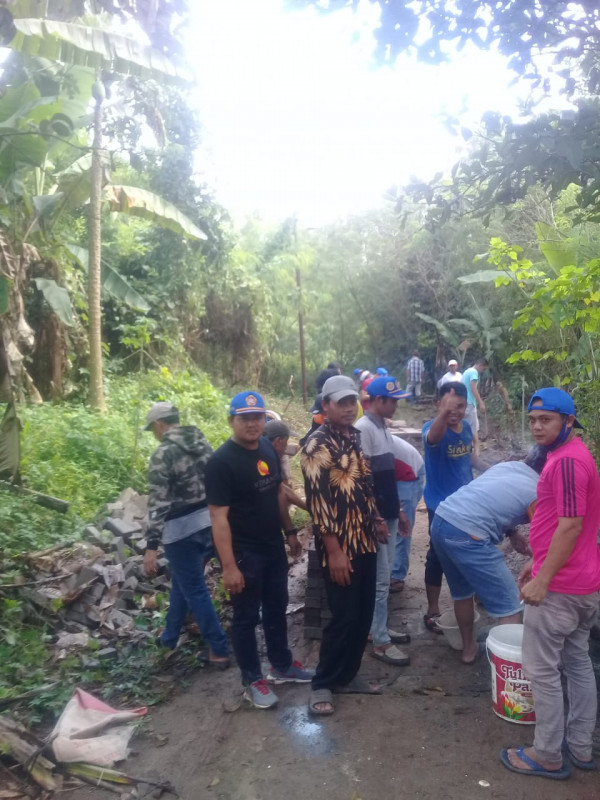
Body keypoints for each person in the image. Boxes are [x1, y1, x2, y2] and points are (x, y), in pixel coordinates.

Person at [501, 388, 600, 780]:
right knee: (577, 662)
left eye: (547, 420)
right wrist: (537, 563)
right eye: (533, 420)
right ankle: (579, 747)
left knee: (542, 670)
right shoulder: (572, 456)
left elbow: (572, 525)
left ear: (568, 421)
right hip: (580, 580)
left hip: (561, 588)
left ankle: (547, 754)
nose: (537, 427)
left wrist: (543, 579)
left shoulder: (566, 463)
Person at [205, 391, 314, 710]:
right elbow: (217, 517)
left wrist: (290, 531)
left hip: (272, 547)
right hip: (244, 554)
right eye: (245, 418)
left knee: (277, 606)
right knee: (246, 616)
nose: (252, 424)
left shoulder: (267, 447)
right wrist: (228, 566)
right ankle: (252, 679)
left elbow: (277, 491)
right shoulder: (221, 462)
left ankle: (282, 665)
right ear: (231, 421)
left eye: (257, 417)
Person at [301, 375, 386, 716]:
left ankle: (348, 675)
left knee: (363, 611)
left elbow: (364, 483)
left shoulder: (354, 436)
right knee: (342, 614)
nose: (349, 408)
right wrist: (333, 551)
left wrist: (377, 518)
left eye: (353, 401)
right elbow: (319, 505)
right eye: (341, 403)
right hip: (341, 545)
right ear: (326, 406)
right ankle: (323, 682)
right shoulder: (316, 447)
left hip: (365, 537)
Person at [431, 451, 545, 663]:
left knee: (462, 593)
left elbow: (491, 497)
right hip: (468, 533)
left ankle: (468, 650)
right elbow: (545, 535)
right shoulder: (539, 490)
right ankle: (508, 672)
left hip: (441, 520)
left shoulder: (508, 466)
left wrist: (512, 533)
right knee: (510, 605)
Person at [142, 402, 229, 668]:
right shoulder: (202, 441)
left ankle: (219, 649)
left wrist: (151, 546)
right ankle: (169, 637)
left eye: (152, 429)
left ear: (159, 425)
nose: (154, 434)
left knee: (195, 589)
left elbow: (159, 502)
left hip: (181, 532)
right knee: (183, 582)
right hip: (210, 522)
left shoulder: (163, 453)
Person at [422, 382, 487, 633]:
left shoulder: (467, 427)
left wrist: (488, 469)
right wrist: (444, 414)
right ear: (439, 405)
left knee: (472, 546)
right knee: (437, 556)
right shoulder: (432, 428)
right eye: (449, 406)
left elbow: (468, 456)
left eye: (459, 406)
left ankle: (476, 595)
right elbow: (433, 438)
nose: (455, 412)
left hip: (466, 503)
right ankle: (432, 610)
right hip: (439, 505)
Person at [355, 377, 411, 666]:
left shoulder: (381, 428)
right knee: (379, 580)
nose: (396, 404)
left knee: (383, 576)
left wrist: (398, 511)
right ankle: (380, 641)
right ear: (378, 401)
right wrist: (375, 517)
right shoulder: (364, 430)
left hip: (388, 513)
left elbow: (387, 479)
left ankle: (377, 628)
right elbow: (363, 481)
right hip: (375, 518)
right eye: (393, 400)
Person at [389, 435, 425, 593]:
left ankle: (396, 575)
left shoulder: (362, 440)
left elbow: (379, 481)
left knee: (401, 527)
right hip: (392, 470)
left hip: (409, 472)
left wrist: (400, 510)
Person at [264, 419, 306, 511]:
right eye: (286, 443)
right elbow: (283, 491)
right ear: (278, 441)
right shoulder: (265, 462)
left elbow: (283, 488)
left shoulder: (269, 455)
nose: (286, 448)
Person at [461, 358, 489, 457]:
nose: (483, 371)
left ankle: (472, 452)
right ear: (480, 365)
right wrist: (481, 402)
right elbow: (473, 388)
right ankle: (475, 455)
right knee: (472, 430)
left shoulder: (466, 371)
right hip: (469, 404)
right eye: (483, 369)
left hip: (463, 403)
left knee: (469, 428)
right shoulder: (473, 372)